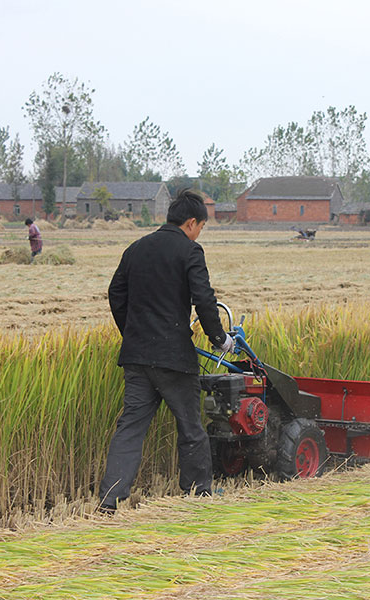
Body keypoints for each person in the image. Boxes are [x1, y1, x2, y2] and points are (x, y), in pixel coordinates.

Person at [98, 189, 233, 514]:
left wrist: (132, 331)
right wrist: (220, 338)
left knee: (130, 427)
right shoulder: (190, 251)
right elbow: (204, 299)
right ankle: (198, 492)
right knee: (190, 426)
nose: (200, 232)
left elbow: (115, 292)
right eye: (201, 226)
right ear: (191, 223)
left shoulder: (136, 248)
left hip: (137, 356)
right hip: (174, 358)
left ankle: (109, 501)